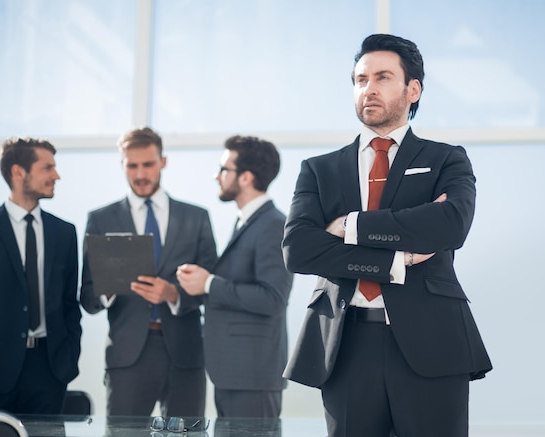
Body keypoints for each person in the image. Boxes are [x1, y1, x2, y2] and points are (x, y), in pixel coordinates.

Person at [282, 34, 492, 437]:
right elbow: (299, 250)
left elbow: (450, 225)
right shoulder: (319, 169)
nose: (369, 89)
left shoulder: (446, 159)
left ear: (413, 89)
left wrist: (352, 226)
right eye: (361, 80)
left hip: (432, 340)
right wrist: (395, 261)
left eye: (382, 77)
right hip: (344, 343)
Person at [80, 127, 217, 417]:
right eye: (132, 166)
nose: (140, 174)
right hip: (128, 355)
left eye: (148, 164)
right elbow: (88, 296)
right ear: (122, 165)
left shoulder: (196, 218)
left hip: (185, 353)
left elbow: (211, 288)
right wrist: (108, 286)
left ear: (162, 162)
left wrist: (173, 294)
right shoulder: (101, 219)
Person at [0, 137, 81, 414]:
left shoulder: (65, 233)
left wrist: (69, 358)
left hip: (50, 371)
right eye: (47, 168)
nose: (56, 175)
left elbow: (70, 304)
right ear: (18, 172)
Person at [177, 135, 293, 418]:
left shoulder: (273, 225)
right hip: (235, 372)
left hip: (252, 374)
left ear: (246, 177)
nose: (216, 176)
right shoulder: (248, 221)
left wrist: (208, 283)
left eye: (224, 169)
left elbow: (273, 299)